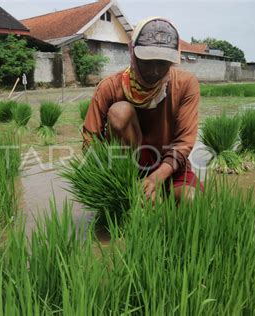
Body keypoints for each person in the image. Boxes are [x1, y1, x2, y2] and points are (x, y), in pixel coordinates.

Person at [83, 17, 203, 202]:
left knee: (191, 200)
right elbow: (90, 141)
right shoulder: (109, 87)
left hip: (170, 164)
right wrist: (106, 183)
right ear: (132, 53)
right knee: (119, 112)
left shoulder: (186, 85)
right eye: (147, 61)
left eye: (163, 63)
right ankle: (134, 183)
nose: (154, 71)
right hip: (128, 165)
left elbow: (184, 142)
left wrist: (158, 176)